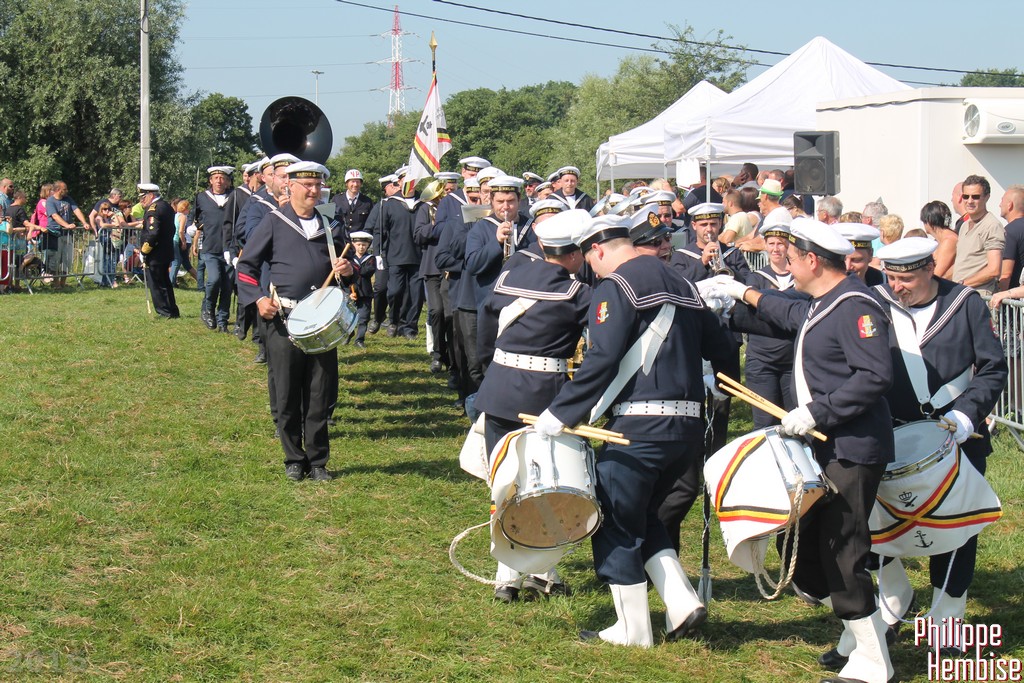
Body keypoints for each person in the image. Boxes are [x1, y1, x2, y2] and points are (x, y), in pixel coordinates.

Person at [532, 213, 736, 647]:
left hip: (640, 426)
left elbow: (602, 357)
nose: (593, 269)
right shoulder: (683, 283)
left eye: (591, 260)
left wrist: (561, 412)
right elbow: (722, 345)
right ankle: (681, 601)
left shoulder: (616, 286)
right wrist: (723, 384)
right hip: (688, 426)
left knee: (613, 516)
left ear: (597, 250)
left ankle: (633, 627)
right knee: (644, 515)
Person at [714, 218, 895, 683]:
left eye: (792, 260)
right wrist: (740, 294)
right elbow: (789, 315)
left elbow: (875, 375)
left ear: (813, 260)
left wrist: (818, 412)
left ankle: (875, 661)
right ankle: (860, 635)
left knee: (842, 548)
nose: (788, 268)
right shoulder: (824, 302)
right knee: (809, 547)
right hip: (826, 445)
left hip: (851, 447)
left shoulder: (856, 305)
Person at [865, 237, 1006, 655]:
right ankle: (894, 598)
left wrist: (967, 415)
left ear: (930, 269)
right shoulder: (874, 303)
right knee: (880, 525)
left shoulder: (965, 304)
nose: (897, 287)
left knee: (956, 529)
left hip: (956, 435)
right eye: (891, 277)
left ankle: (947, 619)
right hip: (892, 437)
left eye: (906, 279)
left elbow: (992, 367)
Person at [475, 209, 591, 602]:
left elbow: (485, 327)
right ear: (574, 255)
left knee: (504, 483)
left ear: (542, 246)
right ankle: (529, 572)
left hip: (499, 388)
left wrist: (489, 371)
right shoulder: (576, 293)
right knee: (543, 486)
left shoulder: (509, 276)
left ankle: (516, 576)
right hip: (545, 397)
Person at [236, 161, 354, 482]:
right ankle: (293, 458)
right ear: (290, 186)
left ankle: (318, 461)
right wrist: (259, 298)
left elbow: (351, 264)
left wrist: (348, 269)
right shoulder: (274, 222)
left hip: (322, 321)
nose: (314, 191)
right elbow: (246, 267)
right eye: (307, 185)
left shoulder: (330, 224)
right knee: (287, 392)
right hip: (283, 320)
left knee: (319, 392)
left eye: (318, 185)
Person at [743, 216, 804, 428]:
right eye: (771, 243)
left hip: (792, 360)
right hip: (762, 360)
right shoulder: (756, 278)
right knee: (765, 423)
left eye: (781, 243)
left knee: (794, 422)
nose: (776, 249)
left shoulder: (800, 278)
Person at [195, 166, 235, 332]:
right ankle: (208, 309)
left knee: (227, 286)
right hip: (210, 247)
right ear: (210, 181)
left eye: (222, 178)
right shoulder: (202, 197)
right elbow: (195, 217)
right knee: (214, 279)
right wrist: (199, 227)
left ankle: (223, 320)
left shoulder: (234, 196)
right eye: (216, 178)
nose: (219, 181)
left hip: (229, 248)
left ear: (227, 181)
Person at [137, 183, 180, 319]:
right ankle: (172, 310)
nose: (141, 201)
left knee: (157, 284)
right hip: (165, 250)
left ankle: (164, 311)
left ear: (151, 195)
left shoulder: (153, 210)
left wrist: (144, 251)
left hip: (155, 252)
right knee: (165, 283)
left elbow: (153, 233)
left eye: (143, 197)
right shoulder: (166, 206)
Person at [44, 181, 89, 288]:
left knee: (67, 259)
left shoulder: (68, 199)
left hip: (67, 235)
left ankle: (63, 283)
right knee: (55, 259)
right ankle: (56, 283)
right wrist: (66, 225)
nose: (66, 191)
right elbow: (54, 216)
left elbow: (76, 210)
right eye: (64, 189)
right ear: (58, 190)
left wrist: (84, 222)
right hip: (55, 234)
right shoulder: (50, 201)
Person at [347, 231, 376, 348]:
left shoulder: (371, 258)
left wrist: (353, 269)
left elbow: (367, 271)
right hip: (351, 292)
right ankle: (348, 334)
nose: (361, 247)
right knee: (348, 317)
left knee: (363, 317)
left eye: (364, 245)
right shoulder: (349, 258)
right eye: (358, 244)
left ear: (368, 246)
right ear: (353, 244)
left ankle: (359, 340)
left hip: (365, 293)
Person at [998, 184, 1024, 292]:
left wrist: (1000, 296)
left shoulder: (1009, 231)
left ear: (1010, 205)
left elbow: (1006, 274)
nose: (999, 205)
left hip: (1012, 298)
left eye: (1002, 201)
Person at [920, 201, 956, 279]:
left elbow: (937, 273)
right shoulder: (939, 240)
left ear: (929, 221)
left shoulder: (949, 241)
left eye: (924, 221)